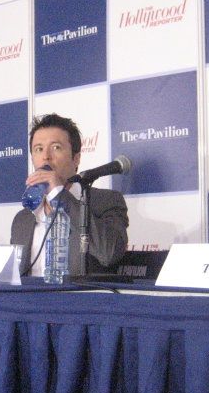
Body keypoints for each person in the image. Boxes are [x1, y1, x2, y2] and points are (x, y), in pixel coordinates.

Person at [10, 113, 128, 277]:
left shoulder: (106, 202)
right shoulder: (22, 219)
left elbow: (110, 254)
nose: (46, 156)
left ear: (76, 158)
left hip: (80, 301)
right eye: (39, 149)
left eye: (56, 147)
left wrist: (60, 195)